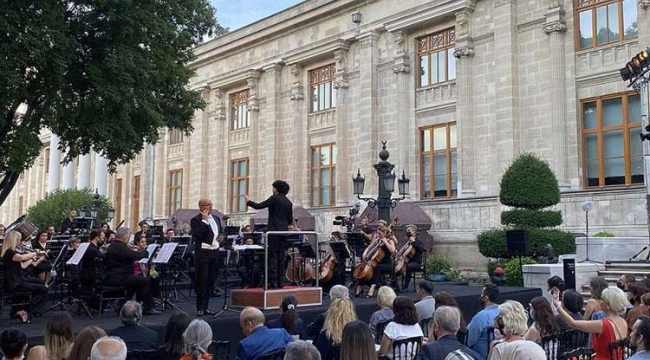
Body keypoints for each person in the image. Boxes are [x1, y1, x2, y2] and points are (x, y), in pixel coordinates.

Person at [553, 286, 628, 360]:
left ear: (608, 305)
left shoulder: (602, 325)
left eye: (602, 299)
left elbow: (572, 323)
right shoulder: (623, 322)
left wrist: (557, 306)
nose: (599, 302)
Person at [245, 180, 293, 289]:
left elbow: (259, 206)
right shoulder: (288, 202)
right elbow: (290, 220)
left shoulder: (274, 199)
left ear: (276, 189)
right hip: (283, 232)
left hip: (273, 232)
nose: (272, 190)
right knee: (281, 257)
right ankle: (281, 281)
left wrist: (249, 201)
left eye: (273, 188)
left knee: (273, 257)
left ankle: (273, 281)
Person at [105, 228, 159, 315]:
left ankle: (122, 306)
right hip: (119, 277)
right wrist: (145, 253)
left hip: (114, 276)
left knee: (135, 282)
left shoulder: (114, 245)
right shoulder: (121, 247)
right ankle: (148, 307)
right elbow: (133, 255)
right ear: (125, 237)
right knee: (144, 281)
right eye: (128, 238)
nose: (129, 240)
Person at [1, 230, 48, 321]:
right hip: (14, 283)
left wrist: (33, 258)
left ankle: (19, 309)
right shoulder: (9, 253)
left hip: (19, 279)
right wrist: (37, 252)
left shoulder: (13, 252)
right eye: (19, 240)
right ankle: (25, 310)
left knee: (40, 282)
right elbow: (22, 257)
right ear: (14, 240)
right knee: (43, 289)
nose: (20, 242)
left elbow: (22, 265)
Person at [191, 198, 223, 316]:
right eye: (208, 205)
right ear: (202, 207)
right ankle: (200, 307)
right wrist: (204, 221)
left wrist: (221, 237)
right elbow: (198, 235)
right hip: (203, 253)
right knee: (202, 281)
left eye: (211, 204)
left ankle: (206, 307)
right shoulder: (195, 220)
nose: (211, 207)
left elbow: (220, 232)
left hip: (214, 252)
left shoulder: (216, 218)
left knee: (210, 280)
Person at [467, 284, 500, 360]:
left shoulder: (480, 317)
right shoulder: (505, 311)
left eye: (481, 294)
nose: (480, 297)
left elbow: (469, 341)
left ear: (486, 298)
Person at [401, 224, 426, 291]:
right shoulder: (408, 242)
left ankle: (405, 287)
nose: (407, 233)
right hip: (408, 261)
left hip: (416, 262)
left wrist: (414, 242)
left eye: (409, 231)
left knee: (408, 267)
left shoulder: (418, 241)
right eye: (407, 231)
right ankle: (396, 286)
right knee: (395, 266)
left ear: (414, 232)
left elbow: (422, 249)